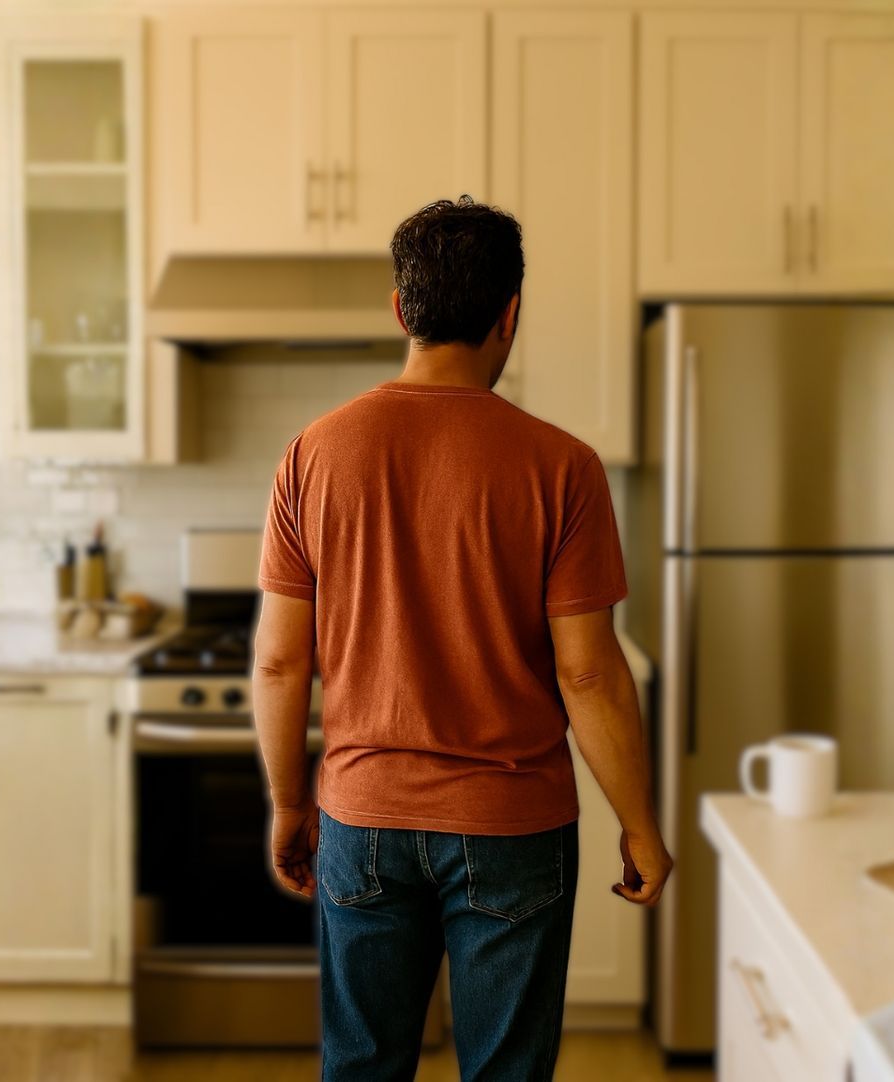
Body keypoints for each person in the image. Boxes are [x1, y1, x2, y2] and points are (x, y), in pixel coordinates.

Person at [251, 197, 672, 1081]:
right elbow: (589, 676)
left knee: (363, 1067)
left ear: (402, 311)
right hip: (513, 827)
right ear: (508, 315)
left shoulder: (311, 456)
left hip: (361, 817)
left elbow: (282, 660)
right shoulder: (562, 468)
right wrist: (639, 822)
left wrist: (293, 804)